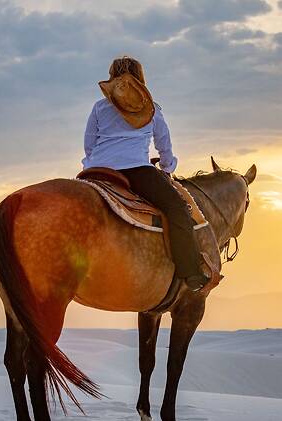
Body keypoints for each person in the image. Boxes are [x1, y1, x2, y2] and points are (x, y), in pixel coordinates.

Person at [82, 56, 220, 291]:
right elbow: (164, 145)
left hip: (97, 170)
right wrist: (167, 167)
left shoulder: (99, 107)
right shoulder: (152, 109)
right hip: (136, 169)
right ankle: (191, 274)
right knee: (177, 209)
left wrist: (92, 163)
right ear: (140, 80)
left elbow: (89, 143)